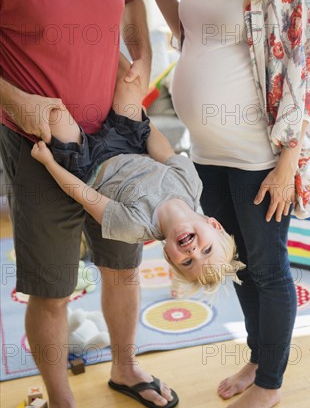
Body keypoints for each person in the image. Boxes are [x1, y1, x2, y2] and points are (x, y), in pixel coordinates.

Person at [0, 0, 176, 408]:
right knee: (51, 289)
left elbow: (129, 3)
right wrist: (15, 100)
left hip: (116, 140)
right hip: (38, 145)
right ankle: (61, 407)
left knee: (123, 267)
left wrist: (141, 55)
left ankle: (125, 366)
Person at [136, 0, 310, 408]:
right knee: (234, 261)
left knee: (268, 269)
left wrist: (288, 163)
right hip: (206, 154)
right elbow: (188, 32)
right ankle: (258, 357)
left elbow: (302, 65)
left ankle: (269, 385)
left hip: (258, 156)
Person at [31, 53, 242, 290]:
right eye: (207, 249)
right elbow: (162, 149)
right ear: (214, 225)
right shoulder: (192, 185)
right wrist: (140, 116)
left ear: (169, 257)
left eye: (188, 262)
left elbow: (84, 195)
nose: (193, 251)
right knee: (131, 82)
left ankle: (45, 58)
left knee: (54, 113)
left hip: (88, 161)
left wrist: (50, 163)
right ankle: (97, 40)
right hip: (128, 142)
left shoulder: (133, 228)